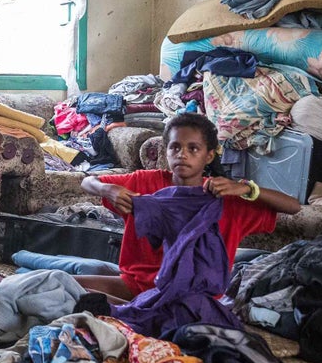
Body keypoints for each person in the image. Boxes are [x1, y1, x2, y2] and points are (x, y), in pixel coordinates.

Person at [72, 112, 300, 301]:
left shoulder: (225, 196)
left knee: (81, 294)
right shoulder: (145, 181)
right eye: (175, 147)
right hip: (136, 285)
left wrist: (248, 189)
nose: (182, 155)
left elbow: (293, 206)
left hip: (193, 298)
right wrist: (108, 190)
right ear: (166, 151)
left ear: (209, 156)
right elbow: (87, 180)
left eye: (193, 149)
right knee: (61, 284)